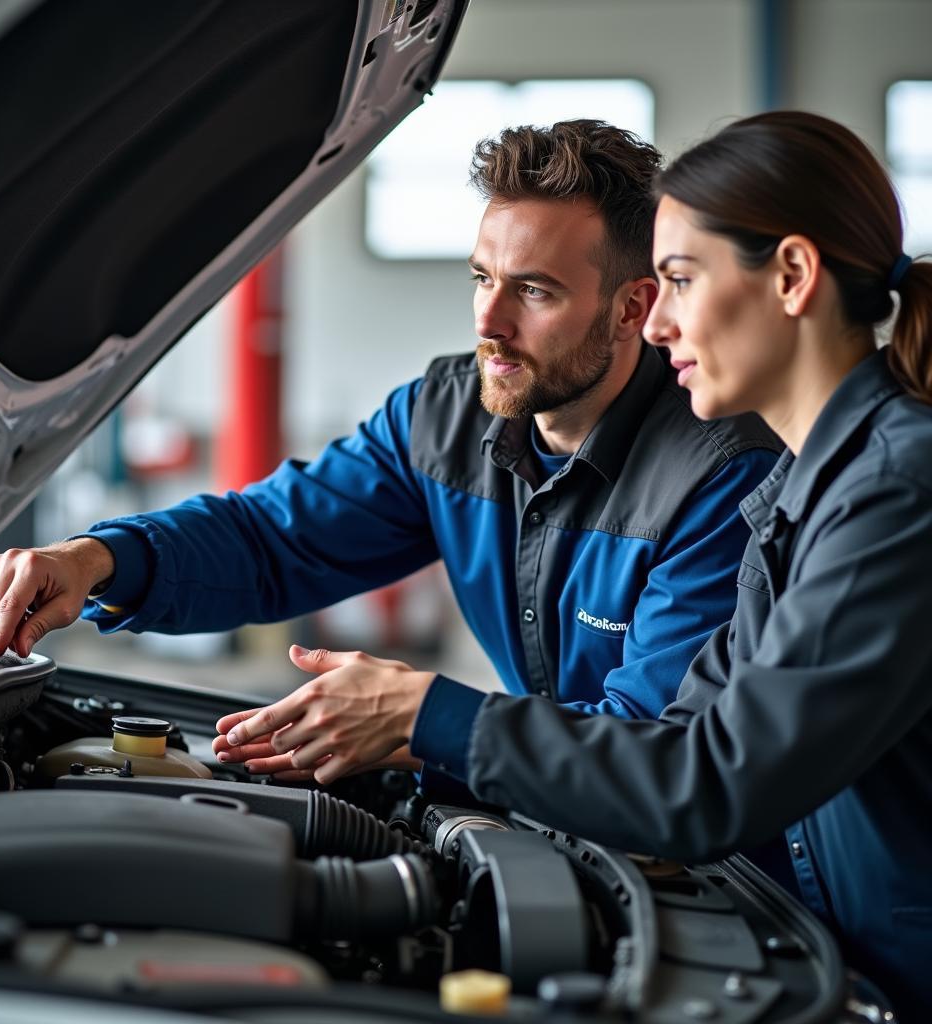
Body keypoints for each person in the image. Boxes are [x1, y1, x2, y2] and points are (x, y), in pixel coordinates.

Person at [231, 111, 931, 1014]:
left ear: (792, 276)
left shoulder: (894, 493)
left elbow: (708, 786)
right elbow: (672, 746)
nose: (661, 320)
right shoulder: (805, 493)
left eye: (679, 280)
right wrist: (403, 746)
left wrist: (430, 716)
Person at [0, 120, 777, 790]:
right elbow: (272, 538)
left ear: (632, 307)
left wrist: (424, 724)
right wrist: (96, 562)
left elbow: (655, 753)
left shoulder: (720, 479)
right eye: (481, 277)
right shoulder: (441, 418)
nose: (489, 321)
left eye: (534, 291)